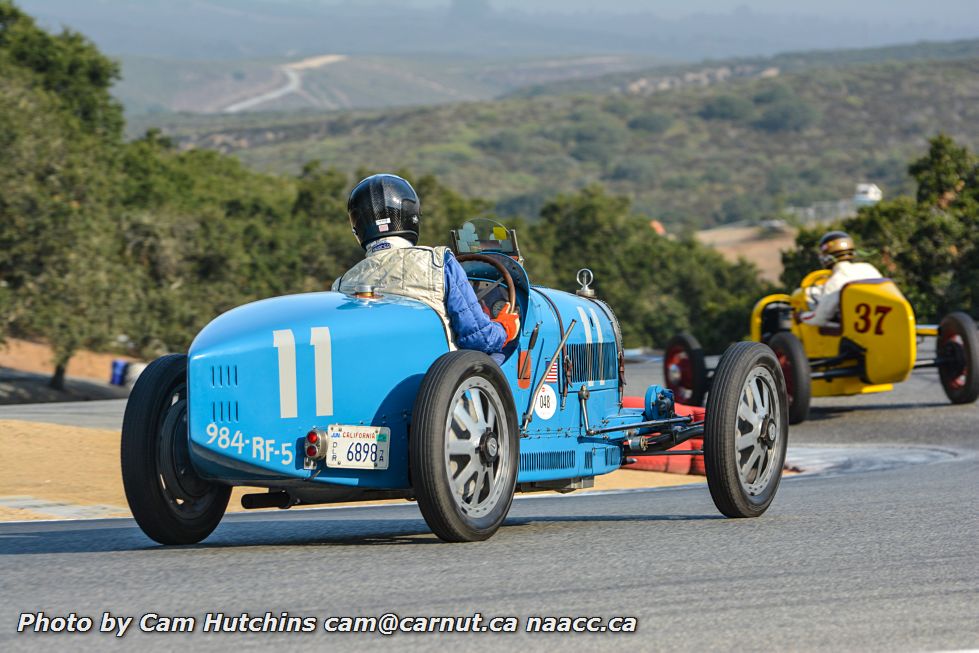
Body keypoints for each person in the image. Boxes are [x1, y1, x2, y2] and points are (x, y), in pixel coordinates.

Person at [332, 174, 519, 354]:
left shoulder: (341, 285)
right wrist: (506, 327)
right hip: (441, 379)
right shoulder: (438, 261)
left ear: (358, 227)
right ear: (410, 215)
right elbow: (479, 338)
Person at [800, 230, 883, 327]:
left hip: (854, 332)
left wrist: (801, 316)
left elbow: (819, 319)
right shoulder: (869, 268)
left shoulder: (835, 281)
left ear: (826, 257)